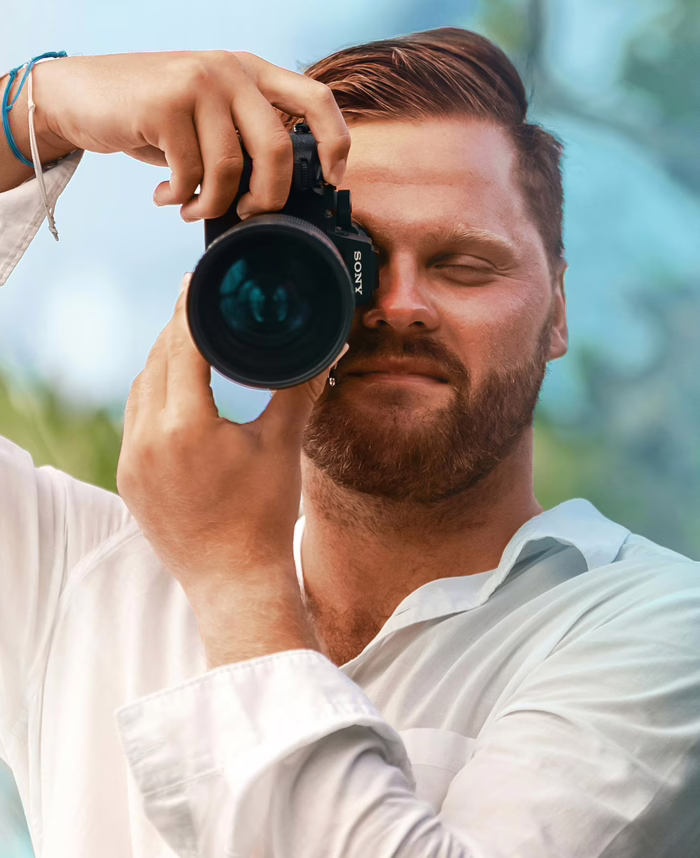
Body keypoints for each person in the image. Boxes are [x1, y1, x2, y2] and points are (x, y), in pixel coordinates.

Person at [0, 27, 699, 858]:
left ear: (558, 312)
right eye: (349, 258)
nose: (399, 304)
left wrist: (237, 583)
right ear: (246, 269)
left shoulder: (659, 627)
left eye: (465, 264)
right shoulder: (78, 575)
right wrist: (32, 111)